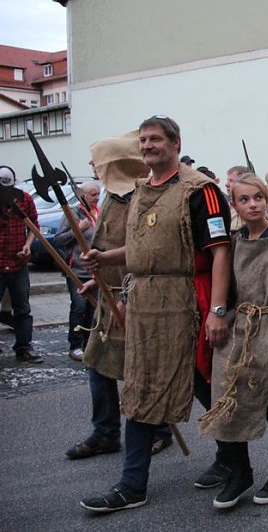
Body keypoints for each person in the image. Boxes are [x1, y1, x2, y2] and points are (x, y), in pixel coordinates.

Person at [79, 115, 232, 513]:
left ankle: (232, 459)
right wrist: (105, 257)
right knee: (143, 388)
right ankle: (134, 484)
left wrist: (217, 310)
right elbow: (144, 251)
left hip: (184, 300)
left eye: (156, 140)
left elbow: (220, 252)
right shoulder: (141, 190)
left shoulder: (201, 190)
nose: (148, 146)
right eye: (143, 140)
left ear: (175, 143)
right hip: (144, 301)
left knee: (200, 382)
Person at [199, 173, 268, 509]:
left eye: (258, 198)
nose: (252, 205)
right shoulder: (234, 243)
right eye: (244, 199)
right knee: (229, 403)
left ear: (267, 200)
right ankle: (240, 472)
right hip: (238, 334)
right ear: (233, 204)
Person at [66, 131, 174, 459]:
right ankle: (106, 432)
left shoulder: (146, 199)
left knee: (143, 371)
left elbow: (148, 252)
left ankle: (160, 429)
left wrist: (128, 298)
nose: (91, 166)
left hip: (138, 300)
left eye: (97, 162)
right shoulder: (112, 198)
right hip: (108, 300)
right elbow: (104, 246)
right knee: (97, 364)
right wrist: (95, 283)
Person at [0, 165, 42, 363]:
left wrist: (27, 245)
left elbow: (33, 224)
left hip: (18, 263)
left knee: (22, 308)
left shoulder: (25, 199)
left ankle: (24, 347)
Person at [54, 180, 101, 361]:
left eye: (98, 194)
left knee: (93, 309)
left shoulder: (98, 212)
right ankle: (75, 344)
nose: (97, 198)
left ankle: (90, 343)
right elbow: (59, 240)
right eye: (93, 195)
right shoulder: (72, 213)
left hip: (95, 271)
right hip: (77, 270)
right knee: (79, 307)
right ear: (82, 196)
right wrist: (78, 230)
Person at [225, 165, 250, 232]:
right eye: (227, 180)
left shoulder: (251, 205)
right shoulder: (227, 205)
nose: (226, 184)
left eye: (231, 180)